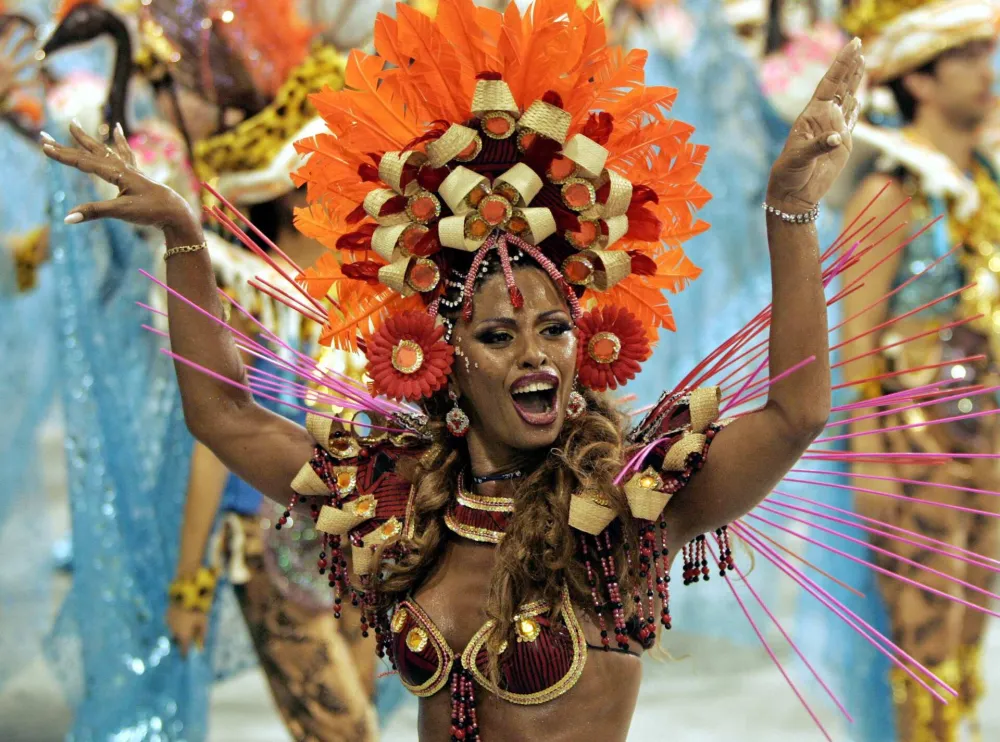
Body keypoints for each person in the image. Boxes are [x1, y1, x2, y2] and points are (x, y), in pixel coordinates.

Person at [40, 1, 998, 738]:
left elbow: (793, 415)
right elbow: (225, 420)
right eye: (501, 338)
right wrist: (183, 241)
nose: (538, 355)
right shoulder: (400, 496)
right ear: (444, 363)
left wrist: (788, 216)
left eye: (554, 330)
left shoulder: (625, 513)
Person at [817, 1, 1000, 741]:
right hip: (912, 448)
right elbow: (855, 343)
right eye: (969, 58)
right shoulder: (887, 191)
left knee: (965, 648)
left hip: (984, 442)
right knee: (922, 649)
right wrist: (871, 463)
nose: (989, 74)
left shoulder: (986, 179)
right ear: (919, 80)